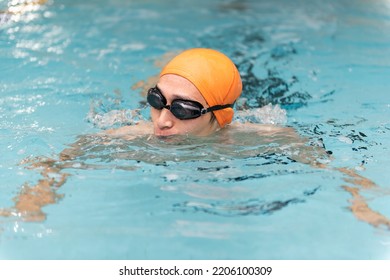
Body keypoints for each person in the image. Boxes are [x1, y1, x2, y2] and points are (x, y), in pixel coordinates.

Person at [1, 48, 389, 230]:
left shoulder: (257, 137)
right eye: (155, 101)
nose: (162, 121)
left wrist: (361, 205)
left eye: (184, 110)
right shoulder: (133, 134)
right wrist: (36, 197)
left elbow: (332, 166)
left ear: (219, 118)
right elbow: (62, 158)